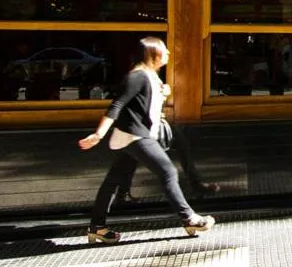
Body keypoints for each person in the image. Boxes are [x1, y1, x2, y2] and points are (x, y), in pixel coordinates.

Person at [78, 37, 215, 244]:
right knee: (167, 171)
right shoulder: (137, 76)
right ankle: (190, 218)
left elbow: (144, 105)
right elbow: (117, 105)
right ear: (154, 54)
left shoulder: (150, 76)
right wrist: (98, 134)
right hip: (135, 135)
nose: (168, 54)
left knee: (113, 181)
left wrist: (163, 93)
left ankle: (97, 227)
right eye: (165, 51)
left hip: (131, 136)